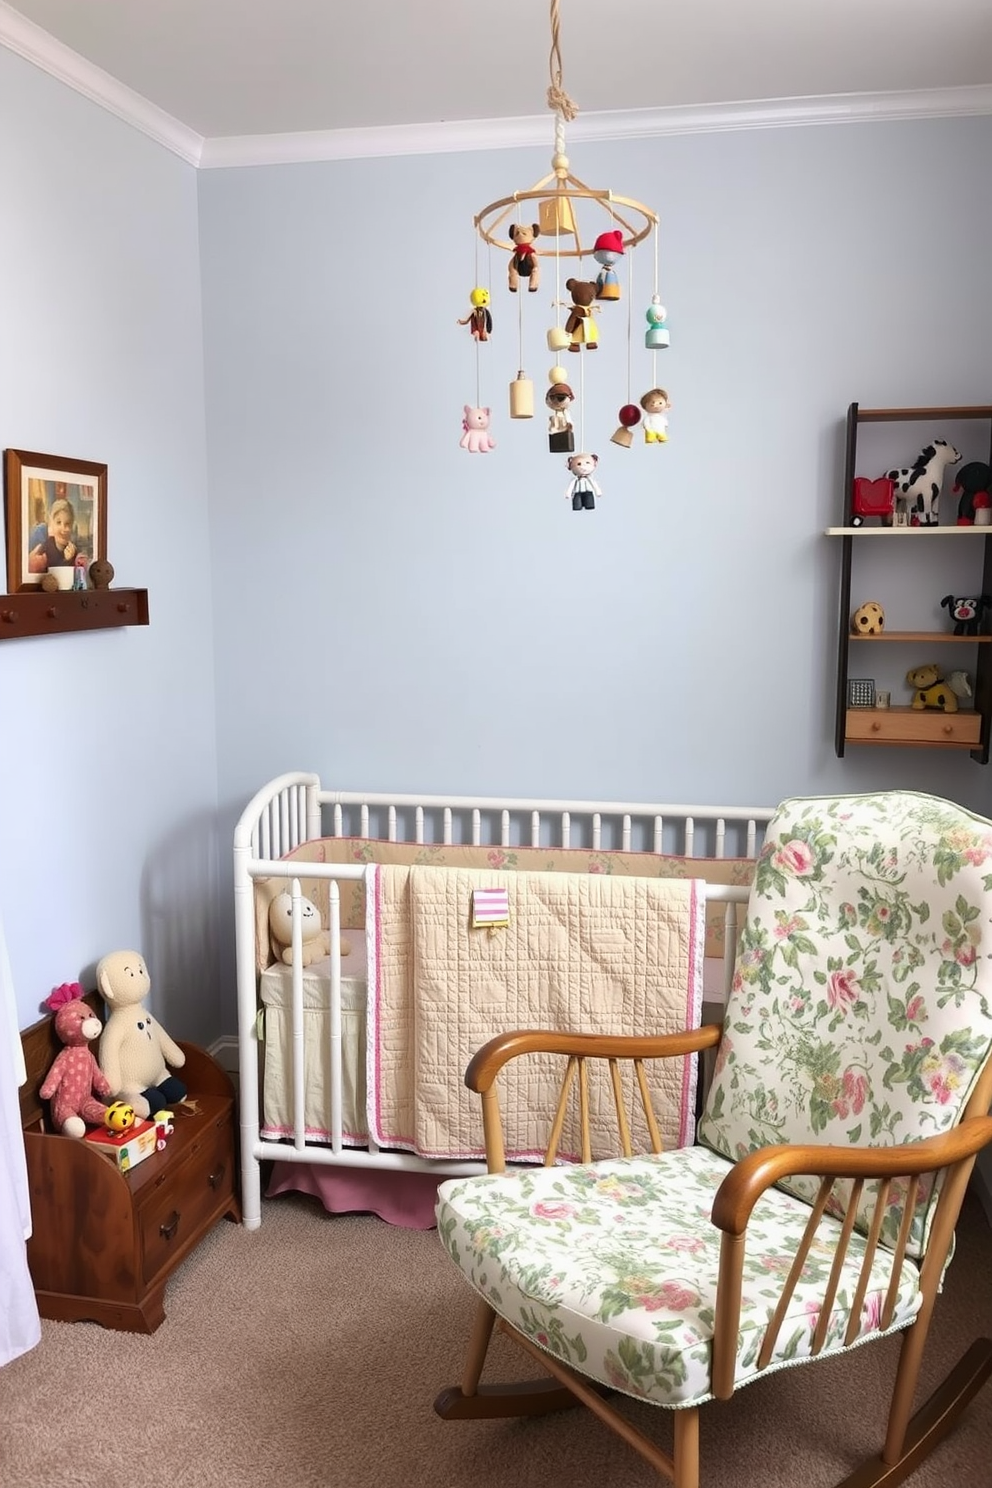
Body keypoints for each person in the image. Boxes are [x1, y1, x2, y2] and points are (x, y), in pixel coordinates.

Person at [27, 497, 77, 573]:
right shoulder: (44, 548)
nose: (63, 528)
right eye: (58, 522)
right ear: (51, 524)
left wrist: (69, 560)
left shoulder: (74, 551)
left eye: (67, 524)